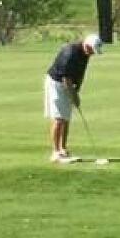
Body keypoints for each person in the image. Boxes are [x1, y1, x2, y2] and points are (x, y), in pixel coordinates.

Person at [44, 33, 103, 163]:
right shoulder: (70, 52)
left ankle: (63, 149)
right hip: (56, 83)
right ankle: (55, 152)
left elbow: (80, 74)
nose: (92, 53)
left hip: (68, 83)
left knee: (66, 117)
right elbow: (66, 78)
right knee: (59, 117)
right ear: (86, 45)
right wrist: (74, 95)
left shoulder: (85, 54)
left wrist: (78, 90)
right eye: (92, 50)